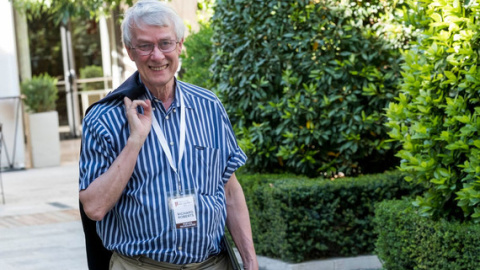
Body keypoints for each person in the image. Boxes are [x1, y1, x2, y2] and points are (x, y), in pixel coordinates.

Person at [78, 0, 259, 269]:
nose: (157, 55)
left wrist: (251, 263)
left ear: (180, 45)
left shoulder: (209, 106)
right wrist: (135, 141)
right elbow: (94, 208)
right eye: (145, 45)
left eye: (165, 43)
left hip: (212, 264)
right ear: (130, 51)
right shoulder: (104, 118)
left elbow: (230, 192)